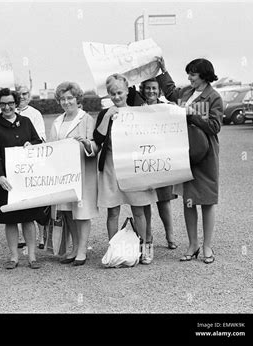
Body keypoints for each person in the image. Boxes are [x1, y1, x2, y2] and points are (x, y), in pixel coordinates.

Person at [155, 57, 222, 264]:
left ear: (204, 75)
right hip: (186, 153)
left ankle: (207, 247)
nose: (189, 77)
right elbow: (170, 92)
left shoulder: (214, 97)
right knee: (189, 199)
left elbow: (215, 126)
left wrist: (193, 116)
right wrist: (163, 70)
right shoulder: (185, 93)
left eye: (193, 73)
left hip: (206, 154)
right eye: (189, 73)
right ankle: (193, 245)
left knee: (207, 201)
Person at [93, 74, 157, 265]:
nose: (116, 97)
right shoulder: (105, 113)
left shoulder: (138, 111)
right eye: (112, 93)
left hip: (132, 166)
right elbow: (98, 139)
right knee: (112, 212)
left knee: (139, 210)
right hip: (111, 166)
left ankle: (146, 248)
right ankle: (114, 247)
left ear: (127, 91)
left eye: (119, 92)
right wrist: (108, 117)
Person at [0, 88, 44, 269]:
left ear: (16, 103)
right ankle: (14, 256)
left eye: (10, 103)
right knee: (10, 219)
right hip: (6, 180)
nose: (7, 107)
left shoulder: (26, 122)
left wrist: (31, 144)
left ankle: (32, 256)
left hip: (25, 179)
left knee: (28, 217)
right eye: (3, 103)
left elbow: (38, 141)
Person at [50, 82, 98, 266]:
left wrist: (86, 143)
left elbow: (95, 147)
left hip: (82, 172)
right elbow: (51, 147)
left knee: (82, 211)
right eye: (62, 99)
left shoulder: (86, 119)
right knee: (67, 211)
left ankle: (82, 250)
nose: (66, 102)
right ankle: (74, 247)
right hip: (63, 174)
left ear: (77, 99)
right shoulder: (57, 121)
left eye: (70, 98)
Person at [135, 79, 178, 253]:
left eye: (154, 88)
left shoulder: (166, 108)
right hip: (142, 158)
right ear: (143, 90)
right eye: (148, 88)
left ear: (159, 90)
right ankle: (148, 236)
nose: (151, 91)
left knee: (164, 199)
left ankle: (170, 235)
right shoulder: (136, 108)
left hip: (161, 159)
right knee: (145, 201)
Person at [15, 84, 47, 249]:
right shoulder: (9, 113)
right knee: (19, 198)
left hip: (33, 161)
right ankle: (21, 235)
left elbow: (41, 137)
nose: (21, 97)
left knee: (37, 200)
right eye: (18, 94)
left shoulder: (35, 114)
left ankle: (41, 235)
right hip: (16, 162)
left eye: (25, 94)